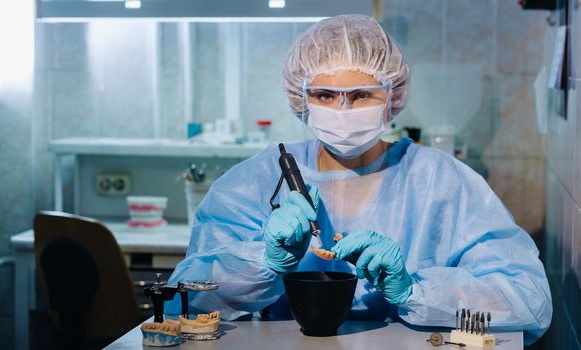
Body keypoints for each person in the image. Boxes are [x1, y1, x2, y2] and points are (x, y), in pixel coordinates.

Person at [165, 14, 552, 344]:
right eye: (324, 95)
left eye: (362, 94)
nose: (343, 110)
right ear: (301, 98)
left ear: (392, 97)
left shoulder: (442, 183)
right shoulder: (254, 182)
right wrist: (264, 262)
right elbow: (184, 302)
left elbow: (528, 301)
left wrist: (415, 290)